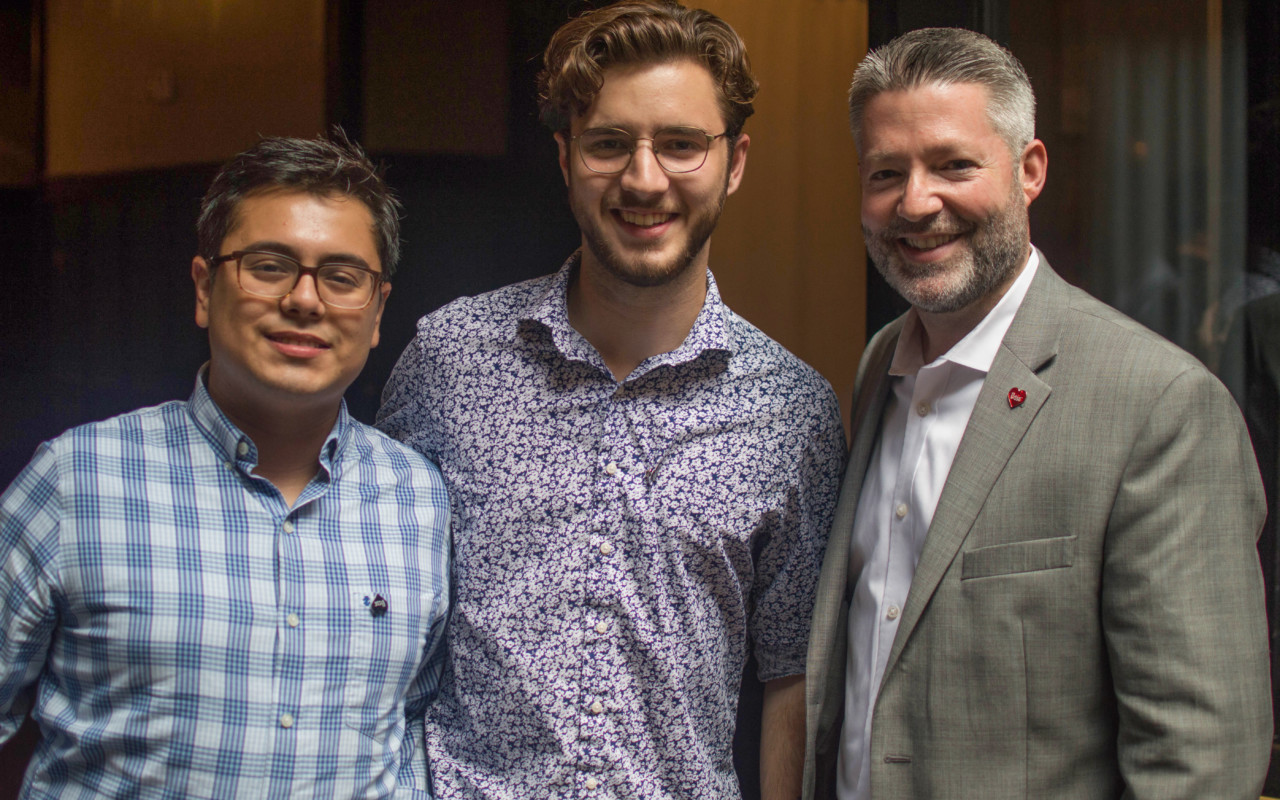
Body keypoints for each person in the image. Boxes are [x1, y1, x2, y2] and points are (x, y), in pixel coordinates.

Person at [377, 2, 845, 798]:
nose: (643, 178)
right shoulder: (449, 359)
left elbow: (790, 678)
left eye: (681, 145)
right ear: (564, 158)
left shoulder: (792, 411)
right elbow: (375, 610)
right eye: (608, 144)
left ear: (734, 164)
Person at [802, 27, 1272, 800]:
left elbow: (1202, 764)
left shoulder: (1158, 408)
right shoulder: (880, 362)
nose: (916, 203)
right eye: (887, 172)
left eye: (954, 164)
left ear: (1029, 171)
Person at [0, 132, 450, 797]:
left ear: (378, 310)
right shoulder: (77, 482)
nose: (305, 299)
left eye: (341, 276)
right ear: (206, 288)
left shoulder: (421, 500)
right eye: (269, 265)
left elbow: (416, 729)